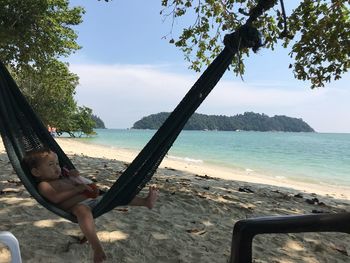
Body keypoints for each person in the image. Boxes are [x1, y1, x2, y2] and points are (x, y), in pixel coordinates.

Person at [23, 147, 159, 263]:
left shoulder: (63, 177)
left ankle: (145, 202)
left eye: (57, 163)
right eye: (51, 165)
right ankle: (97, 247)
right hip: (75, 207)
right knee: (82, 211)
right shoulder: (44, 185)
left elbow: (79, 182)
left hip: (94, 199)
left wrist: (74, 176)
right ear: (36, 172)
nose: (57, 167)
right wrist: (77, 189)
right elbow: (56, 198)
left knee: (115, 196)